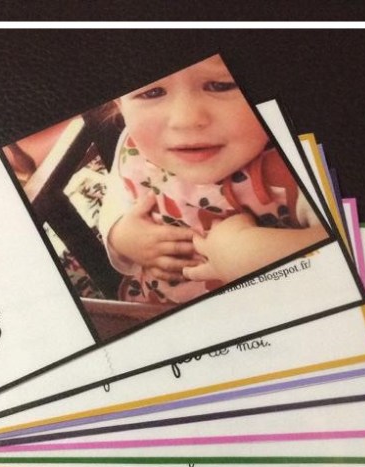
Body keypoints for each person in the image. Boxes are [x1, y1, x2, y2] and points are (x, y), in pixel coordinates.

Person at [97, 55, 328, 305]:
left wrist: (251, 255)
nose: (185, 119)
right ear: (120, 105)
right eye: (152, 92)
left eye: (221, 85)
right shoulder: (135, 148)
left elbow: (353, 252)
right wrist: (122, 236)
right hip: (156, 309)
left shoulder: (302, 160)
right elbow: (116, 200)